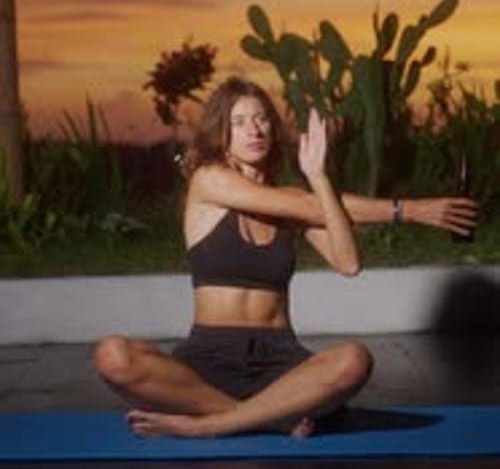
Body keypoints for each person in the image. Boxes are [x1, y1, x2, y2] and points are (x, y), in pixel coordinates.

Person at [93, 76, 477, 439]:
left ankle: (212, 423)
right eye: (239, 122)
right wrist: (411, 210)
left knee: (353, 360)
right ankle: (269, 418)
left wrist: (320, 177)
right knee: (113, 355)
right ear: (221, 134)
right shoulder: (209, 180)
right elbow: (311, 207)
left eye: (261, 119)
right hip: (208, 356)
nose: (254, 130)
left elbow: (348, 264)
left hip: (279, 359)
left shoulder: (294, 201)